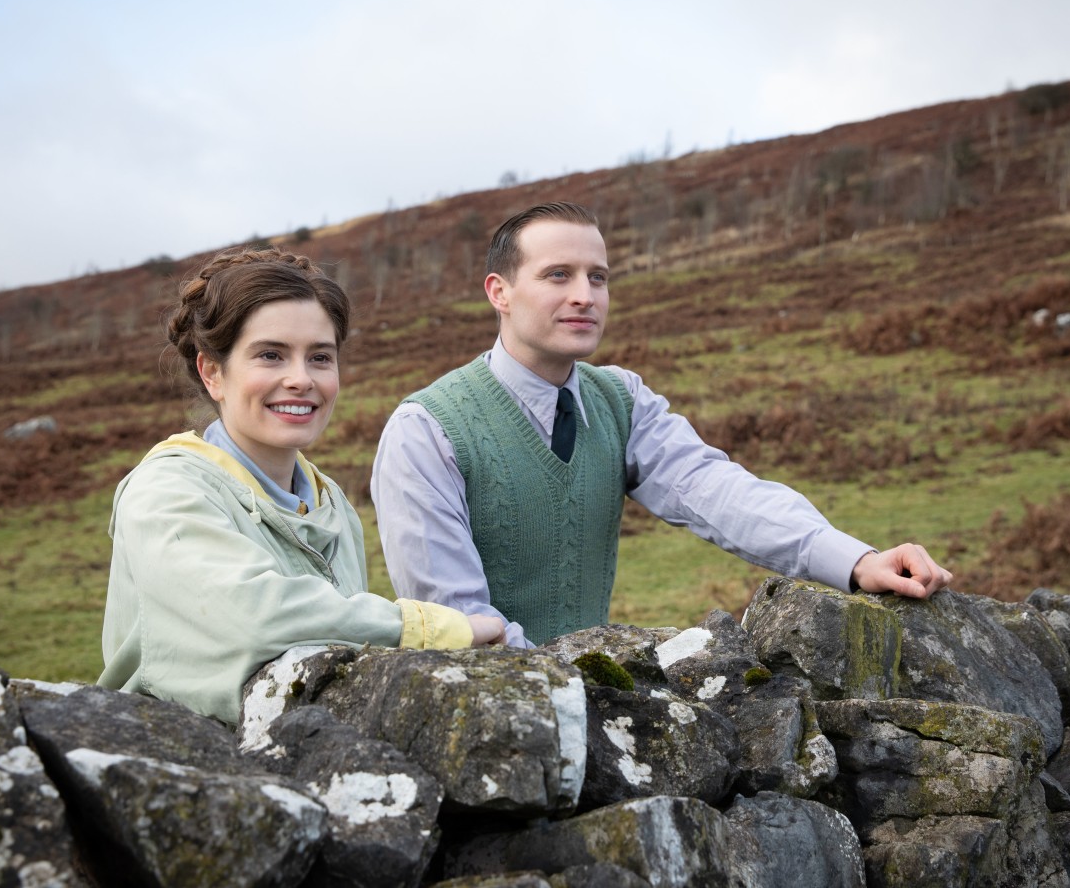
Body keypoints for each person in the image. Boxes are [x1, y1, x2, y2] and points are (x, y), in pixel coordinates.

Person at [372, 201, 952, 648]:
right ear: (499, 291)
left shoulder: (621, 399)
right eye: (558, 275)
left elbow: (714, 491)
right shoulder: (426, 429)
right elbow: (455, 619)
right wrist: (568, 685)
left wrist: (853, 560)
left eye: (597, 277)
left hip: (588, 703)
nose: (585, 296)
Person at [99, 247, 502, 725]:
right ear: (212, 372)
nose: (300, 379)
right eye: (270, 355)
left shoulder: (330, 500)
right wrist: (431, 628)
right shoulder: (166, 491)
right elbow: (254, 616)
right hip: (178, 766)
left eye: (320, 358)